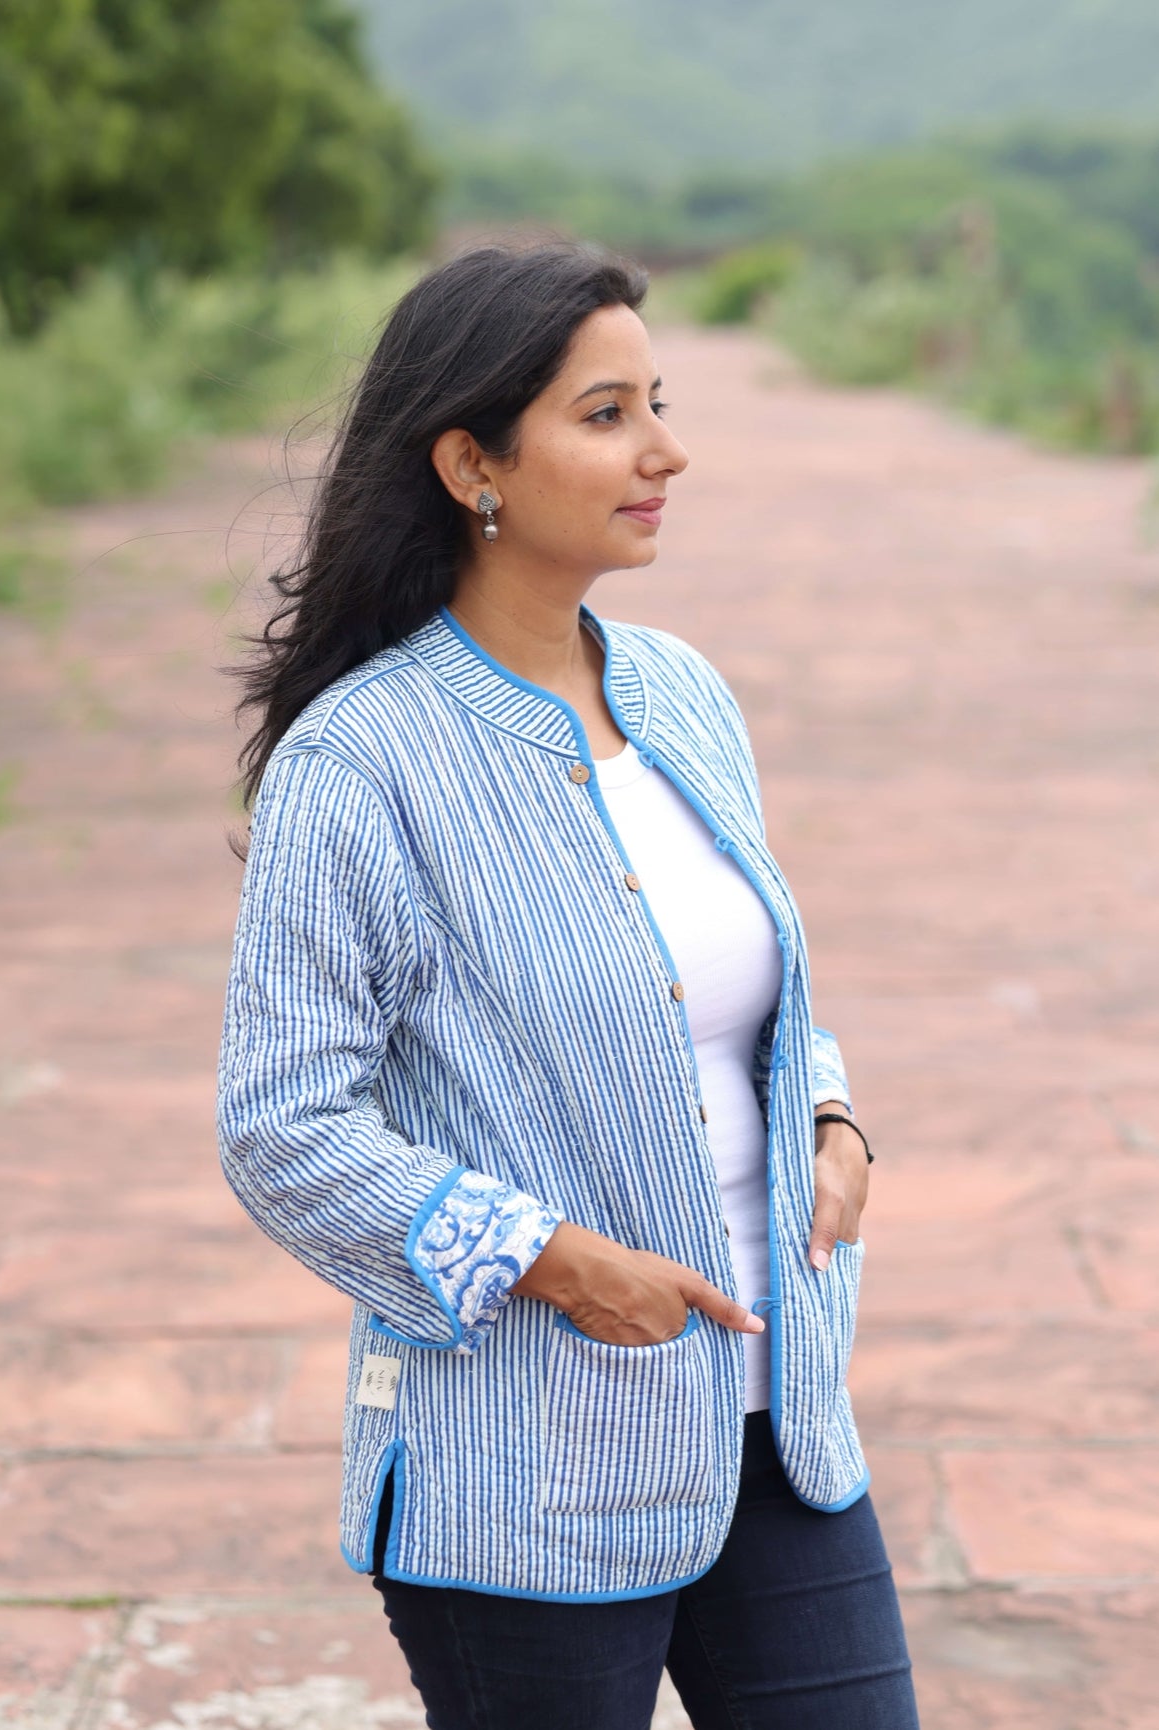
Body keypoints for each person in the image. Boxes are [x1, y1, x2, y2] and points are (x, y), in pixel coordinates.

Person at [217, 239, 919, 1729]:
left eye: (657, 403)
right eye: (606, 415)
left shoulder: (681, 692)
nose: (665, 451)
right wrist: (552, 1258)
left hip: (781, 1416)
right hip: (530, 1474)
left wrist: (835, 1119)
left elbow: (747, 990)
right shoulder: (362, 762)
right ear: (470, 462)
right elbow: (284, 1126)